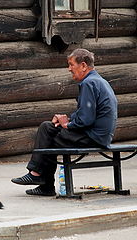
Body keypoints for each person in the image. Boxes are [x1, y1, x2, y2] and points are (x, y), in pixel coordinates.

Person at [11, 48, 118, 196]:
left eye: (71, 64)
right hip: (99, 136)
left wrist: (68, 125)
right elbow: (86, 113)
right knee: (48, 128)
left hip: (92, 137)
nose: (69, 69)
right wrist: (66, 119)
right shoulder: (99, 81)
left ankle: (39, 178)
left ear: (83, 66)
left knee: (47, 132)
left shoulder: (88, 83)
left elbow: (86, 119)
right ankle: (40, 179)